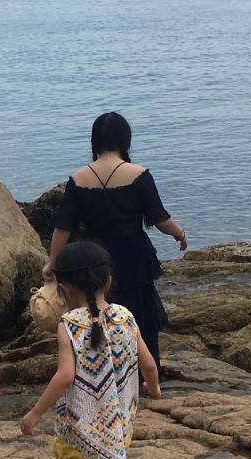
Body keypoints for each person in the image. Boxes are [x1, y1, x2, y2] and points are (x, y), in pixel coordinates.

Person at [20, 240, 160, 459]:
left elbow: (66, 376)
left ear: (65, 289)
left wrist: (35, 412)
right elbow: (149, 363)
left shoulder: (69, 325)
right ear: (107, 280)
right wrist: (154, 391)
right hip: (117, 417)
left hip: (79, 421)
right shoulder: (126, 316)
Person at [46, 113, 188, 367]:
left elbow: (63, 228)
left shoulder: (78, 179)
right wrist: (179, 234)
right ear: (125, 139)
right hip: (134, 256)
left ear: (94, 141)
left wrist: (53, 263)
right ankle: (145, 374)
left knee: (95, 312)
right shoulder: (139, 174)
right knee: (140, 315)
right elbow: (160, 219)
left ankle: (101, 368)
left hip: (93, 258)